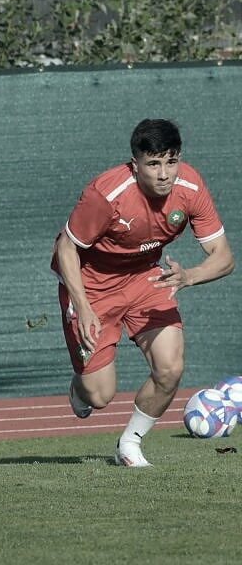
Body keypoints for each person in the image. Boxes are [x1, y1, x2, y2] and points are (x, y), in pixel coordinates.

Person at [52, 119, 234, 467]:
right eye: (153, 164)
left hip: (147, 279)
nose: (164, 173)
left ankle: (130, 444)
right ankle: (80, 386)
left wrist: (189, 276)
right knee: (100, 395)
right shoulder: (106, 194)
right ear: (135, 165)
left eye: (171, 161)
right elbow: (66, 248)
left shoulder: (190, 187)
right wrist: (82, 306)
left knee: (170, 367)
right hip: (93, 285)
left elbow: (224, 257)